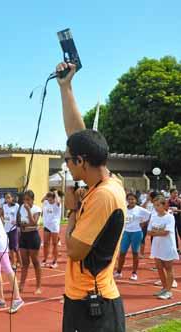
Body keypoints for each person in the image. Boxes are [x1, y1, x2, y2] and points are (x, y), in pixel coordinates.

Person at [57, 61, 126, 331]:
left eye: (68, 160)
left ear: (82, 161)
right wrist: (66, 88)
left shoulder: (103, 196)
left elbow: (74, 251)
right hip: (85, 299)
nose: (66, 164)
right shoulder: (106, 181)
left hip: (93, 306)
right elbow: (78, 136)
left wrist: (73, 210)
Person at [148, 195, 179, 299]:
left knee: (168, 268)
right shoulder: (153, 216)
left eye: (158, 205)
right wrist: (158, 232)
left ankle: (169, 291)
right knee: (159, 268)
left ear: (163, 205)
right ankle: (164, 288)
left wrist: (155, 232)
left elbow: (166, 232)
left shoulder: (170, 217)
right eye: (154, 206)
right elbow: (148, 232)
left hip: (167, 246)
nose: (156, 208)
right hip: (157, 246)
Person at [114, 193, 150, 281]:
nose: (131, 201)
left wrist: (143, 223)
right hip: (126, 233)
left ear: (136, 200)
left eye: (133, 199)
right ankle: (119, 272)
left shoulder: (140, 209)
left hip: (136, 233)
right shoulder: (124, 208)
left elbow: (150, 215)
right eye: (129, 199)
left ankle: (134, 273)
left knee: (135, 253)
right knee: (122, 253)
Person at [17, 190, 43, 294]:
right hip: (23, 236)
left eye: (28, 199)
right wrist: (23, 224)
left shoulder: (37, 209)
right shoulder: (21, 208)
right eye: (24, 199)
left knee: (35, 262)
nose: (25, 202)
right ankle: (21, 285)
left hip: (33, 236)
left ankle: (38, 287)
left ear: (32, 199)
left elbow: (34, 222)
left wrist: (28, 211)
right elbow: (19, 222)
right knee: (25, 263)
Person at [41, 190, 62, 268]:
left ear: (54, 199)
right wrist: (47, 195)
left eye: (51, 200)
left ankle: (55, 261)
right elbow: (42, 200)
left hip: (54, 226)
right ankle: (45, 260)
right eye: (48, 199)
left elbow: (58, 200)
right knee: (46, 243)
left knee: (54, 244)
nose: (49, 201)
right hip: (46, 226)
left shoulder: (57, 205)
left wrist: (56, 193)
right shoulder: (46, 202)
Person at [1, 193, 21, 268]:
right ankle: (13, 263)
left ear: (12, 198)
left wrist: (17, 221)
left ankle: (20, 261)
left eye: (9, 197)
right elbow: (2, 215)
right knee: (10, 247)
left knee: (15, 247)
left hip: (13, 228)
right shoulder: (4, 206)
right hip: (6, 229)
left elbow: (19, 216)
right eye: (6, 198)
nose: (7, 199)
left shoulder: (16, 206)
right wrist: (2, 219)